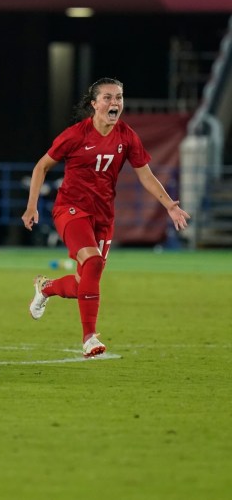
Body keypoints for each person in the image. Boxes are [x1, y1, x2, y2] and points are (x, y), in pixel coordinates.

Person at [22, 77, 190, 358]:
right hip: (71, 209)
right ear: (94, 104)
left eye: (119, 97)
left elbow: (145, 175)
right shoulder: (75, 135)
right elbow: (41, 167)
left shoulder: (126, 135)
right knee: (93, 260)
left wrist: (169, 206)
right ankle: (89, 338)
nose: (115, 103)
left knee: (84, 282)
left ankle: (47, 287)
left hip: (103, 216)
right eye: (109, 98)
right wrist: (32, 206)